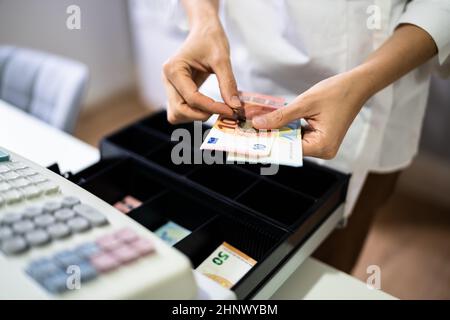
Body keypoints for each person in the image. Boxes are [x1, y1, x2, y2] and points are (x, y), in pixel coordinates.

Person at [161, 0, 450, 273]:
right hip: (245, 68)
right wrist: (204, 22)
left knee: (325, 260)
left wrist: (360, 84)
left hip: (375, 90)